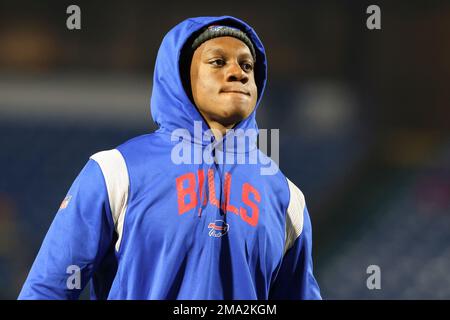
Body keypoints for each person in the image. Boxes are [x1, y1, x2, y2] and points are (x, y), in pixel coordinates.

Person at [18, 15, 321, 300]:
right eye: (218, 61)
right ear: (181, 78)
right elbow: (48, 288)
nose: (237, 72)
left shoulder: (286, 197)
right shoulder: (117, 170)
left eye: (247, 65)